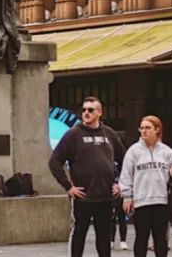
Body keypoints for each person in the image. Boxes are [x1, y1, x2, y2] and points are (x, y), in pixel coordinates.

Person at [49, 96, 126, 257]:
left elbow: (125, 160)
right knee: (79, 234)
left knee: (104, 238)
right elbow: (54, 162)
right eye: (83, 110)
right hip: (83, 196)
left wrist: (121, 184)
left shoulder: (109, 134)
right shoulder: (73, 134)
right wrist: (68, 187)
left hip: (105, 196)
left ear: (99, 112)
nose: (86, 113)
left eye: (90, 110)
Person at [119, 115, 172, 257]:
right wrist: (127, 197)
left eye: (148, 128)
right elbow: (126, 175)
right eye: (141, 128)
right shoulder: (133, 151)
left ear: (157, 130)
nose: (144, 131)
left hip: (162, 201)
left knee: (160, 239)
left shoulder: (166, 151)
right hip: (141, 201)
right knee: (141, 237)